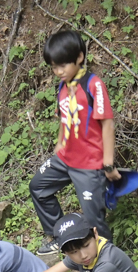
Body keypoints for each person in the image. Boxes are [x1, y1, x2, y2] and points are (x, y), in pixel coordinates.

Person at [30, 30, 121, 256]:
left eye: (62, 65)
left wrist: (108, 164)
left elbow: (107, 125)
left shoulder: (93, 84)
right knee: (38, 188)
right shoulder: (63, 85)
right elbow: (64, 116)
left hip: (89, 164)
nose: (58, 71)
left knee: (93, 220)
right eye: (53, 67)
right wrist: (59, 143)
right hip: (65, 159)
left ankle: (107, 261)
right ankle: (59, 236)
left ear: (79, 57)